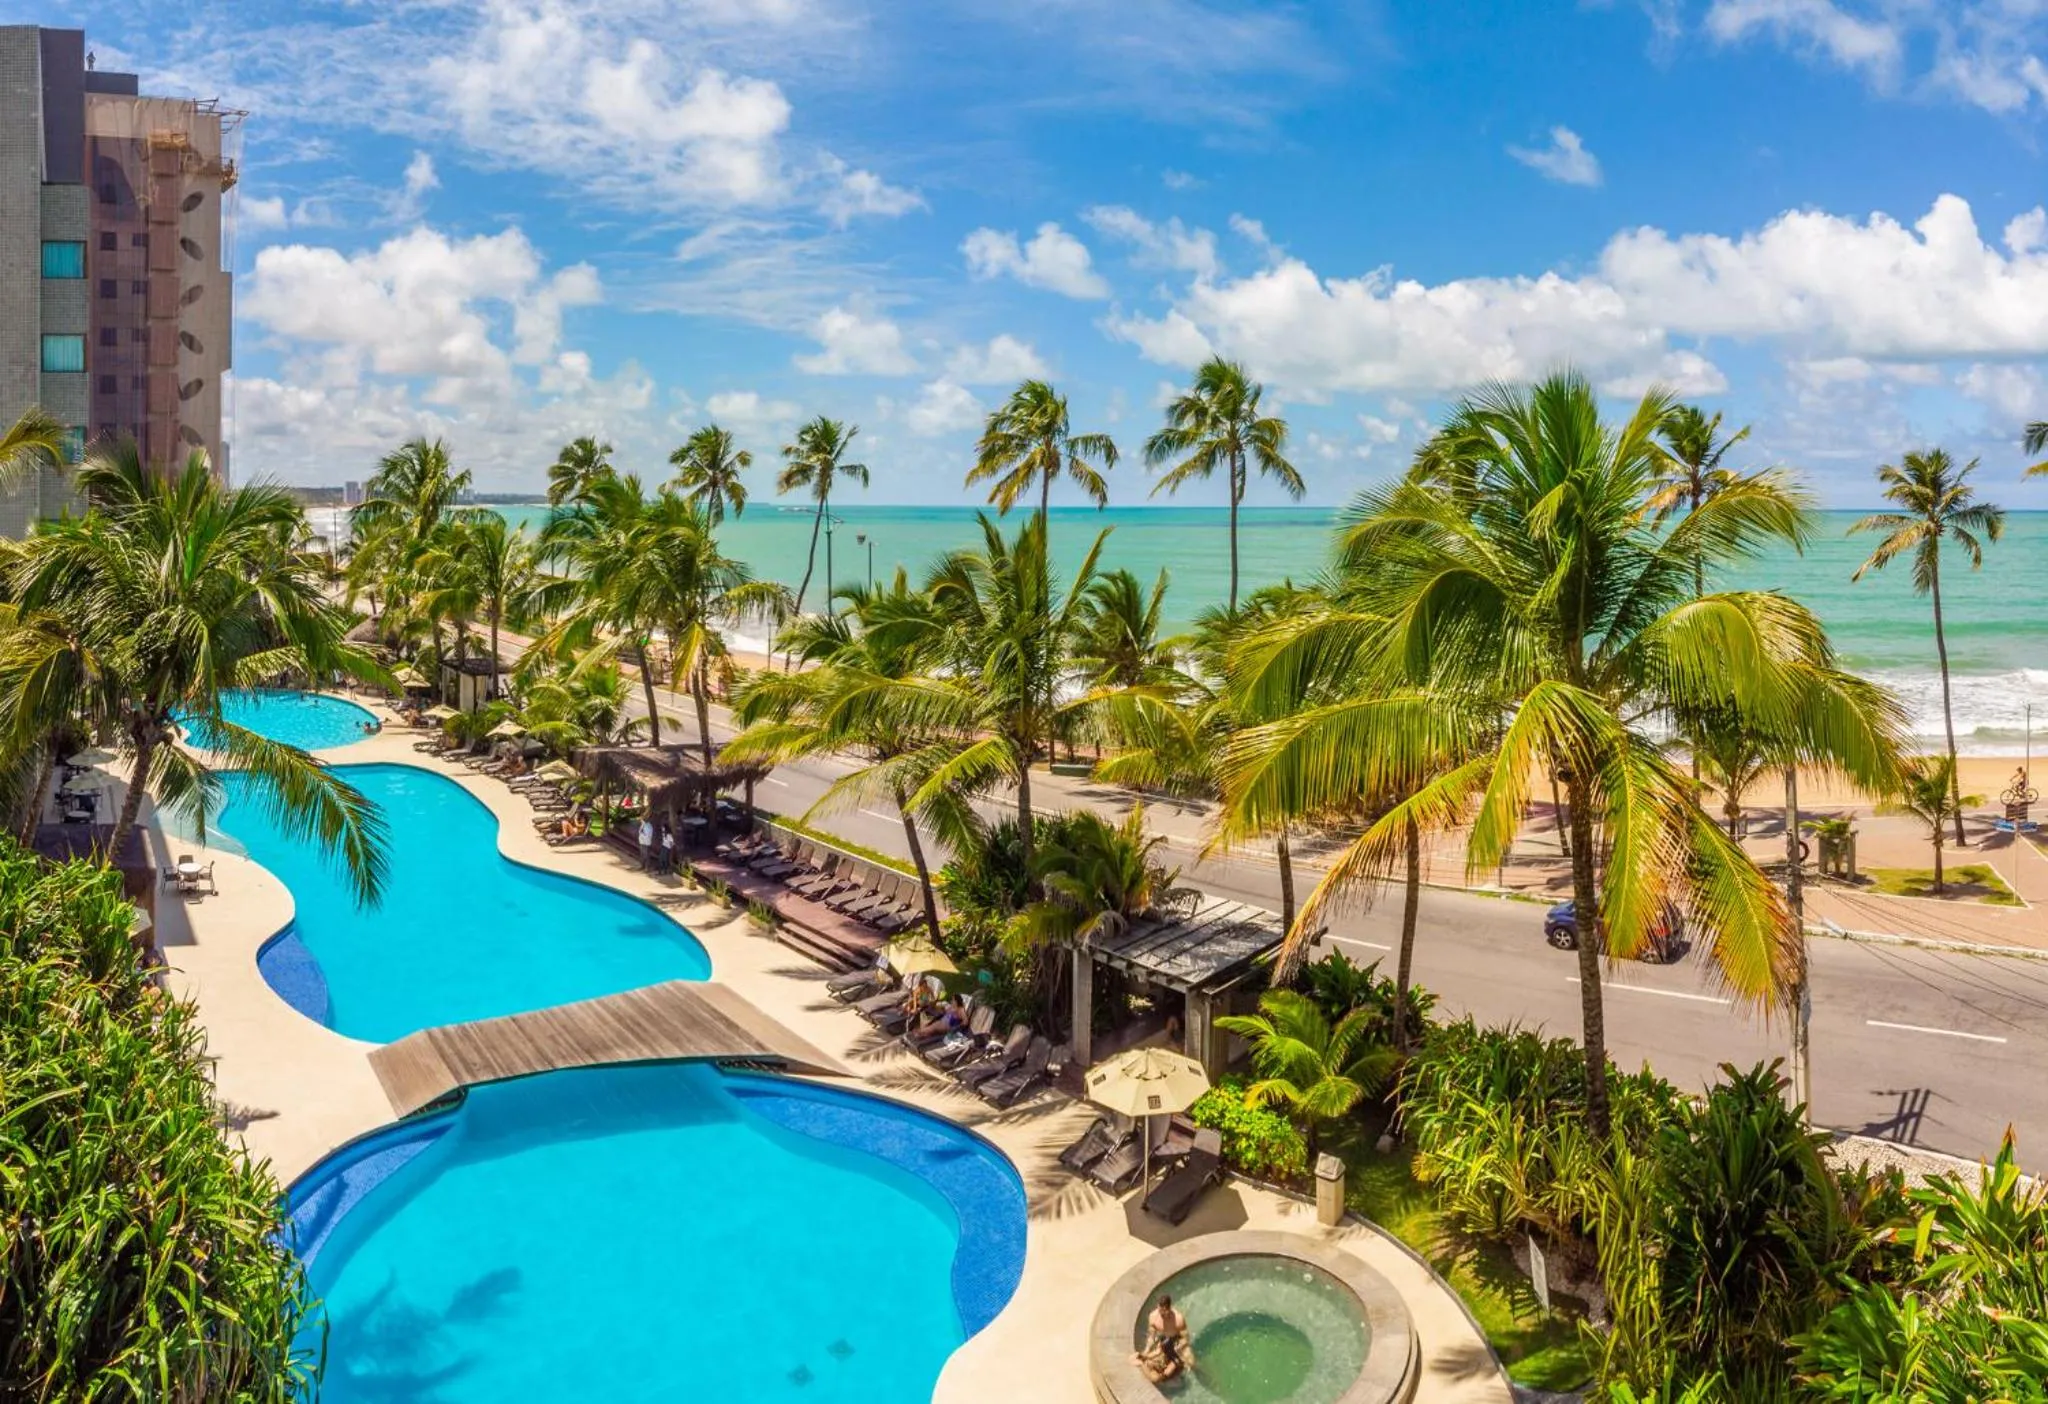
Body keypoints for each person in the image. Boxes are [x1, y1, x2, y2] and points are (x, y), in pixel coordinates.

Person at [1133, 1294, 1192, 1384]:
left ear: (1169, 1309)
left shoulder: (1178, 1319)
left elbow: (1186, 1337)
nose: (1162, 1315)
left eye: (1164, 1312)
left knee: (1191, 1362)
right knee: (1159, 1367)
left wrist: (1181, 1346)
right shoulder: (1153, 1317)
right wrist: (1146, 1350)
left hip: (1177, 1341)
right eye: (1160, 1311)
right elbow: (1151, 1337)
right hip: (1165, 1341)